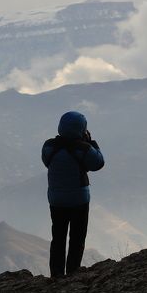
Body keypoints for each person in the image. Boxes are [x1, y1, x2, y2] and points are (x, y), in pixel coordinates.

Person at [41, 111, 105, 278]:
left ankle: (56, 274)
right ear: (82, 129)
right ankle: (72, 273)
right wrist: (91, 142)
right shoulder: (84, 149)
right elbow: (98, 163)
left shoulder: (49, 146)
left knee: (58, 238)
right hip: (79, 200)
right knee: (77, 238)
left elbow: (46, 161)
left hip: (56, 200)